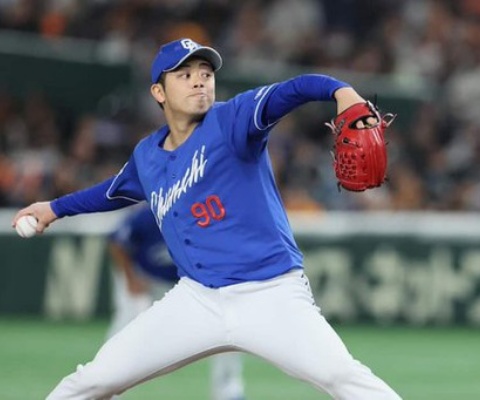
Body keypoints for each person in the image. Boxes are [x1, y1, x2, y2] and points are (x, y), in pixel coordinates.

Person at [13, 38, 402, 399]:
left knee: (342, 376)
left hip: (271, 294)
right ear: (159, 92)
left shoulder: (233, 119)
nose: (199, 81)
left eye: (205, 73)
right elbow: (111, 192)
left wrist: (342, 92)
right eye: (184, 75)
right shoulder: (147, 156)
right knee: (94, 379)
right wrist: (53, 209)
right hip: (196, 299)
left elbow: (295, 89)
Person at [107, 204, 245, 400]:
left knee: (225, 324)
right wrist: (131, 278)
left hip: (186, 284)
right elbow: (116, 242)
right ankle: (107, 388)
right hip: (148, 282)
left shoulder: (202, 216)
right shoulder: (149, 215)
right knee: (125, 328)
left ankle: (228, 389)